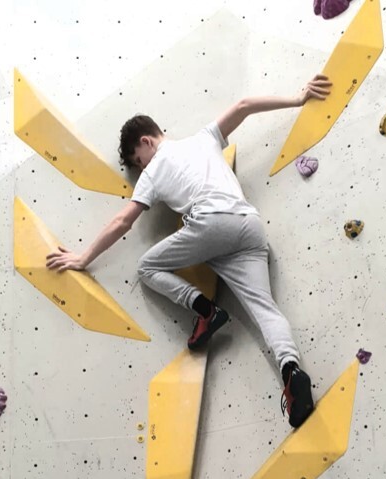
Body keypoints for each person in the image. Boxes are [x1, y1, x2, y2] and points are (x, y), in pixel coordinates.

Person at [46, 74, 332, 428]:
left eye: (138, 161)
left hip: (212, 224)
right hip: (249, 227)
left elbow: (123, 221)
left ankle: (204, 310)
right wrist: (298, 98)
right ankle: (292, 371)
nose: (141, 169)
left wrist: (82, 257)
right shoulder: (205, 138)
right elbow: (243, 107)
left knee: (147, 268)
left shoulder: (153, 173)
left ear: (147, 142)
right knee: (266, 310)